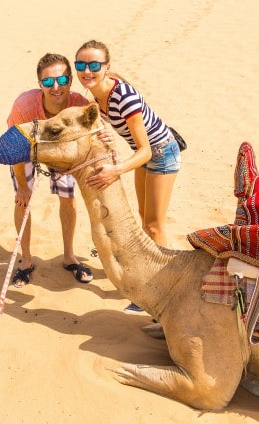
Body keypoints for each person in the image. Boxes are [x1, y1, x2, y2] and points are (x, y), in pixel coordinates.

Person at [74, 40, 181, 313]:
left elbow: (145, 150)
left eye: (94, 65)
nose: (87, 70)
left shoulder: (124, 97)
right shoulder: (94, 97)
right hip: (142, 154)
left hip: (161, 153)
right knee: (144, 219)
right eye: (81, 65)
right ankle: (150, 280)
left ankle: (160, 290)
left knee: (155, 225)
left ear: (107, 67)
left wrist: (116, 170)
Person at [6, 53, 94, 288]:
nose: (56, 87)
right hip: (27, 147)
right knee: (22, 201)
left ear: (70, 80)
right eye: (48, 82)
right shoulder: (24, 106)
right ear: (40, 85)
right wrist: (23, 187)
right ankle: (26, 260)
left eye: (62, 80)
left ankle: (69, 256)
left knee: (68, 198)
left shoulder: (79, 105)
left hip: (60, 151)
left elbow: (94, 135)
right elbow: (15, 146)